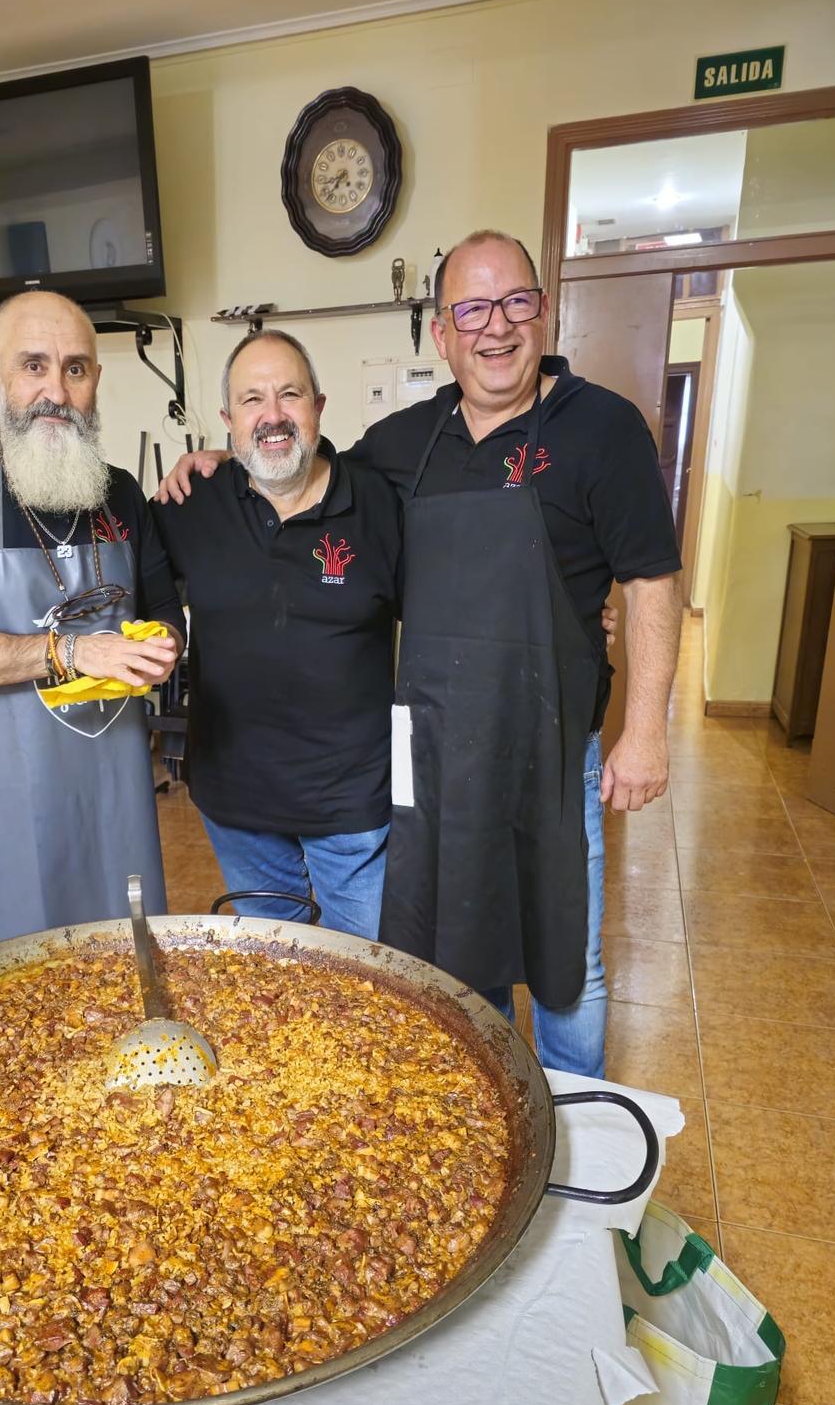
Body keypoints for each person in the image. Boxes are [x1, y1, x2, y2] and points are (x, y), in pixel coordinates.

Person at [156, 231, 681, 1077]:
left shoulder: (603, 429)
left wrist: (647, 729)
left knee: (565, 962)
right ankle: (486, 1116)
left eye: (515, 302)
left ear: (542, 312)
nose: (495, 328)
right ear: (443, 333)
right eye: (471, 309)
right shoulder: (403, 444)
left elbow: (654, 580)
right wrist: (226, 463)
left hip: (552, 752)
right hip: (433, 754)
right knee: (451, 950)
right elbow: (298, 473)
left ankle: (580, 1146)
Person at [0, 291, 184, 953]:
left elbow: (164, 609)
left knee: (125, 954)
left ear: (96, 381)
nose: (57, 390)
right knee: (21, 974)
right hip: (6, 796)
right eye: (35, 366)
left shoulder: (122, 494)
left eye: (76, 369)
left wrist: (165, 645)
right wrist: (74, 653)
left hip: (117, 792)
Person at [153, 329, 401, 937]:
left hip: (353, 803)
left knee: (364, 975)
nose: (272, 416)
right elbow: (124, 574)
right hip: (237, 804)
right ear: (228, 421)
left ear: (318, 405)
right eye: (252, 400)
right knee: (278, 969)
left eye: (289, 394)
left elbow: (446, 621)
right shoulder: (192, 502)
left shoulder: (379, 504)